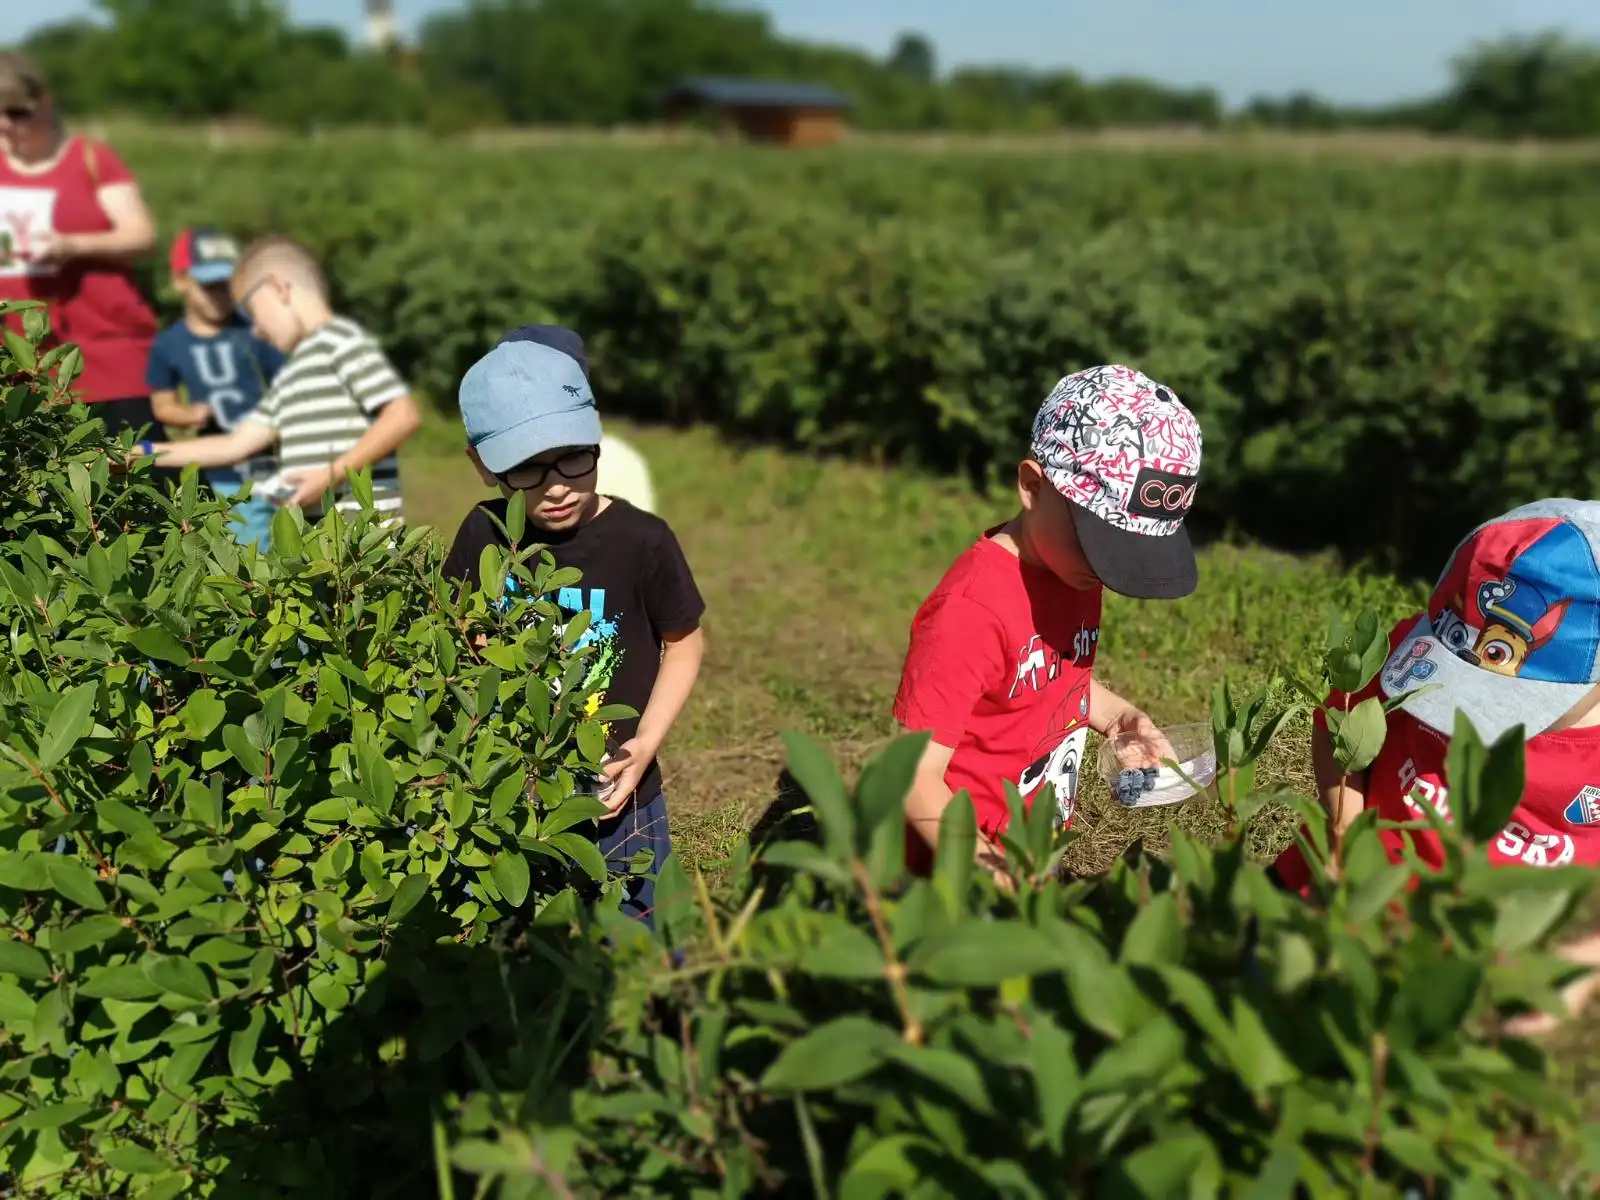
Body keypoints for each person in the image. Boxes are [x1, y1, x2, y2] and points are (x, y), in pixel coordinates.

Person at [1272, 498, 1600, 1035]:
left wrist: (1584, 963)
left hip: (1484, 963)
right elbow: (1341, 724)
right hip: (1342, 892)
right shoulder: (1411, 648)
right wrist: (1344, 830)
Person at [440, 325, 706, 929]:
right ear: (483, 466)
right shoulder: (483, 533)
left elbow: (684, 646)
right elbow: (461, 635)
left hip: (621, 790)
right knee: (520, 933)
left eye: (572, 457)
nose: (556, 484)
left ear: (596, 438)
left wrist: (644, 747)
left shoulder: (643, 540)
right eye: (526, 470)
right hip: (511, 787)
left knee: (639, 935)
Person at [893, 364, 1202, 879]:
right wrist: (987, 870)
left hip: (1029, 853)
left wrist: (1118, 717)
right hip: (954, 873)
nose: (1107, 567)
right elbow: (911, 775)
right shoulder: (971, 612)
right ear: (1033, 486)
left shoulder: (1071, 572)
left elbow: (1051, 678)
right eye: (1099, 542)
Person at [131, 235, 421, 522]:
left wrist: (331, 476)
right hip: (323, 543)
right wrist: (140, 453)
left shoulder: (340, 340)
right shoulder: (292, 374)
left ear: (278, 288)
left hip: (367, 542)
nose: (255, 330)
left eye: (254, 313)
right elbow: (234, 445)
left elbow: (402, 415)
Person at [0, 52, 162, 439]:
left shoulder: (90, 159)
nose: (7, 125)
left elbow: (143, 236)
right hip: (20, 361)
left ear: (45, 103)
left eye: (18, 112)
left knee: (136, 468)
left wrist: (72, 244)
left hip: (104, 352)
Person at [146, 227, 286, 547]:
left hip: (268, 457)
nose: (220, 295)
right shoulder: (168, 344)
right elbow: (163, 406)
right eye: (209, 286)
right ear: (181, 281)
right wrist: (188, 414)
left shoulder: (257, 330)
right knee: (242, 543)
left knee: (281, 540)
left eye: (227, 286)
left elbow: (289, 383)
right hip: (216, 465)